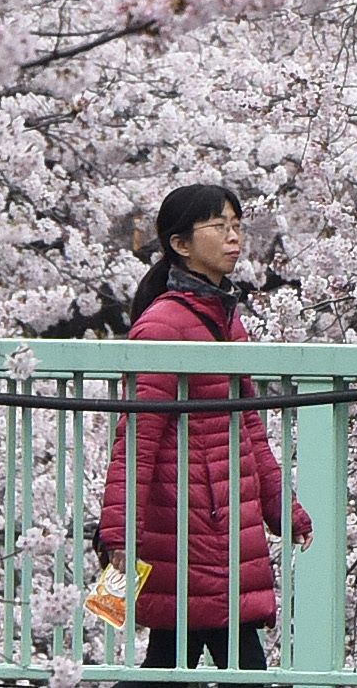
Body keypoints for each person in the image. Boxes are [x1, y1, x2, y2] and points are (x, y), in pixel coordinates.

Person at [95, 184, 310, 677]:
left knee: (175, 659)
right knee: (235, 660)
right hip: (191, 525)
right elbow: (138, 435)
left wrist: (283, 508)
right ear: (180, 244)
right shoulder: (164, 325)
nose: (235, 238)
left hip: (218, 518)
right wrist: (119, 532)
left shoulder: (225, 320)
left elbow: (248, 424)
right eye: (220, 227)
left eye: (237, 226)